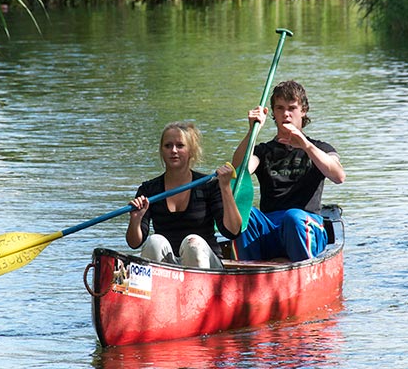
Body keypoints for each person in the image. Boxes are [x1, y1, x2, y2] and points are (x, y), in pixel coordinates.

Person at [231, 80, 345, 262]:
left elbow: (338, 176)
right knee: (243, 214)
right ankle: (247, 272)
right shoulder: (263, 151)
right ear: (273, 113)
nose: (286, 114)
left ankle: (303, 270)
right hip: (270, 227)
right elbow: (238, 171)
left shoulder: (320, 147)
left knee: (293, 218)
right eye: (280, 108)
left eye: (292, 108)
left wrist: (305, 145)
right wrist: (252, 131)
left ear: (303, 111)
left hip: (306, 223)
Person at [125, 121, 242, 269]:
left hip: (207, 266)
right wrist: (136, 219)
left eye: (180, 146)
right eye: (168, 146)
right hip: (169, 268)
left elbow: (233, 231)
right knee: (154, 241)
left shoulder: (209, 185)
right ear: (162, 150)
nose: (173, 150)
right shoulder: (149, 189)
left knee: (192, 243)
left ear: (191, 151)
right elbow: (134, 243)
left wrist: (225, 188)